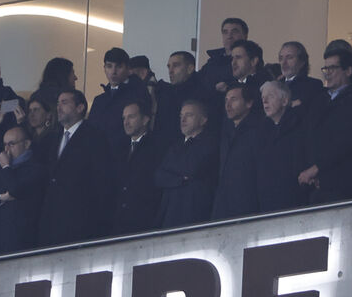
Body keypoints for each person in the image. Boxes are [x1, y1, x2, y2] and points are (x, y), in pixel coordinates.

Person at [39, 90, 113, 247]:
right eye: (58, 103)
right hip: (52, 222)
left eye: (65, 103)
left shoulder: (95, 137)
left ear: (80, 108)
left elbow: (102, 181)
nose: (59, 107)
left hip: (80, 222)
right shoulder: (52, 138)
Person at [299, 47, 352, 203]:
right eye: (325, 68)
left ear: (348, 71)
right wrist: (312, 169)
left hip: (346, 185)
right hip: (317, 184)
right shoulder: (319, 100)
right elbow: (308, 136)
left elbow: (347, 141)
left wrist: (317, 168)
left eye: (333, 68)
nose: (327, 73)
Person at [0, 126, 46, 257]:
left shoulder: (35, 169)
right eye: (5, 145)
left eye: (11, 144)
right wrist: (0, 199)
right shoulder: (0, 171)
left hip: (19, 242)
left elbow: (15, 189)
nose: (7, 150)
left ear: (26, 144)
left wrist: (6, 167)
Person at [155, 100, 219, 228]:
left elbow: (192, 168)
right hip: (169, 216)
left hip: (194, 215)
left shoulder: (210, 143)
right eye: (181, 116)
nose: (183, 120)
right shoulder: (175, 146)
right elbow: (158, 177)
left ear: (203, 120)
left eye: (189, 115)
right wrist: (180, 179)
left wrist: (172, 176)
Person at [211, 84, 263, 220]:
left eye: (233, 100)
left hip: (248, 205)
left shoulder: (258, 130)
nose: (228, 105)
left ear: (249, 103)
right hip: (223, 204)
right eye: (226, 100)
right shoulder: (225, 132)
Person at [111, 101, 164, 235]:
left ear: (145, 119)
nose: (126, 122)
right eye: (124, 118)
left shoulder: (158, 147)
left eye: (131, 117)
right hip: (118, 221)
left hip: (144, 222)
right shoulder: (119, 147)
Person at [87, 47, 151, 154]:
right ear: (104, 68)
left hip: (125, 156)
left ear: (128, 69)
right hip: (96, 156)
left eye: (119, 67)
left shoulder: (138, 94)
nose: (113, 71)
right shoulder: (99, 100)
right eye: (109, 66)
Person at [256, 81, 307, 212]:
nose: (265, 101)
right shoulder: (263, 131)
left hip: (294, 201)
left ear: (284, 101)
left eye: (270, 96)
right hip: (267, 202)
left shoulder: (300, 124)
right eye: (263, 98)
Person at [153, 51, 217, 149]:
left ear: (190, 68)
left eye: (176, 65)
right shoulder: (166, 93)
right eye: (169, 66)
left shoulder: (203, 94)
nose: (170, 70)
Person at [199, 17, 248, 92]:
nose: (229, 36)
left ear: (245, 36)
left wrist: (229, 86)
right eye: (225, 32)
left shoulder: (250, 60)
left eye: (234, 32)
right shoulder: (212, 61)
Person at [278, 41, 323, 112]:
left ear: (302, 61)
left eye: (289, 57)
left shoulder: (313, 85)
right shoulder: (275, 85)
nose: (284, 63)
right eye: (281, 58)